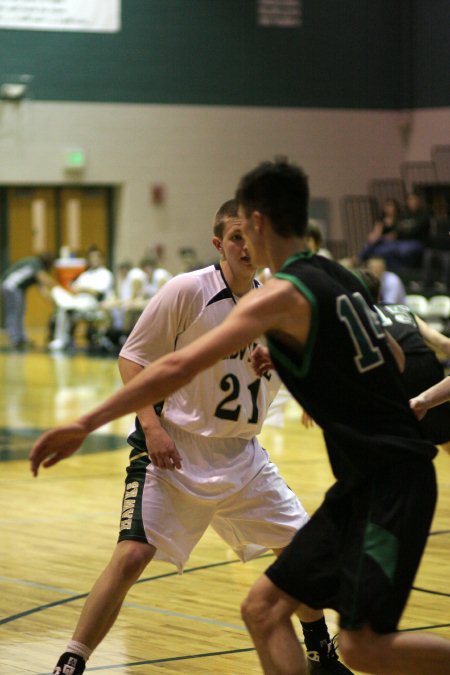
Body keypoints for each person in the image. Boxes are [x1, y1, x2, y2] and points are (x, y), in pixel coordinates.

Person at [29, 160, 450, 675]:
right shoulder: (337, 276)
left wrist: (83, 423)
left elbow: (180, 365)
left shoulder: (279, 294)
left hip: (384, 481)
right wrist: (303, 364)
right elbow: (398, 358)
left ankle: (329, 653)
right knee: (261, 609)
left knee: (364, 647)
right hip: (347, 476)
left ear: (257, 222)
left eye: (245, 229)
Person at [37, 199, 352, 675]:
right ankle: (70, 662)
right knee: (131, 556)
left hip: (242, 456)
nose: (246, 247)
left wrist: (308, 393)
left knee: (300, 554)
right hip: (175, 452)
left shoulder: (276, 298)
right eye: (235, 238)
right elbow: (133, 359)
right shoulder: (188, 290)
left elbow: (290, 364)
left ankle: (321, 654)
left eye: (252, 237)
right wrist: (153, 426)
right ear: (218, 244)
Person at [356, 268, 450, 453]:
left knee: (392, 439)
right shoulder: (403, 309)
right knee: (445, 433)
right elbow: (442, 342)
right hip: (428, 365)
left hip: (395, 371)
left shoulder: (356, 316)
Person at [49, 248, 114, 351]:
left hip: (92, 304)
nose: (93, 259)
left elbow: (98, 293)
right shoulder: (85, 274)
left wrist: (83, 289)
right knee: (56, 292)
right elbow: (74, 289)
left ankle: (61, 338)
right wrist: (80, 290)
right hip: (77, 301)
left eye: (96, 257)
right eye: (91, 257)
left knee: (64, 308)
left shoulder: (105, 274)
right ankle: (60, 340)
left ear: (102, 259)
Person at [1, 252, 56, 349]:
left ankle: (21, 338)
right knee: (14, 312)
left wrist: (54, 302)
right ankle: (15, 339)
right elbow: (44, 279)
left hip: (18, 289)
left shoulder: (37, 270)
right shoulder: (35, 262)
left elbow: (43, 290)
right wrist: (60, 286)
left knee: (20, 312)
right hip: (11, 286)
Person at [360, 196, 428, 272]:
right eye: (409, 200)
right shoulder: (404, 215)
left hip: (406, 242)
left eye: (391, 206)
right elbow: (373, 237)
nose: (411, 202)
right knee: (378, 250)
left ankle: (359, 258)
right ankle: (398, 270)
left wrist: (388, 235)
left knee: (397, 249)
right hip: (393, 242)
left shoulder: (421, 215)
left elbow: (398, 233)